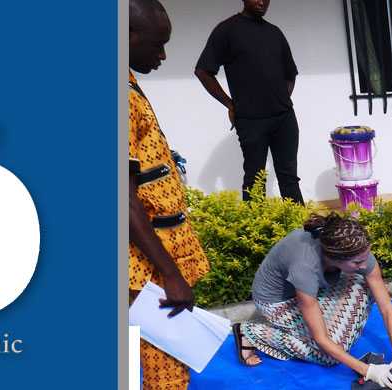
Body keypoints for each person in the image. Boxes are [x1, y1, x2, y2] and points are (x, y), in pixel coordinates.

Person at [128, 1, 210, 389]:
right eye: (157, 44)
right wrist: (171, 275)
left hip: (148, 259)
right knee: (166, 368)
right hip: (146, 267)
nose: (162, 55)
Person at [234, 213, 392, 388]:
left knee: (364, 285)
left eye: (365, 257)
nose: (365, 265)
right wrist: (368, 371)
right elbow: (321, 338)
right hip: (277, 301)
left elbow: (387, 307)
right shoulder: (305, 266)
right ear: (334, 258)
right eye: (357, 263)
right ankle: (252, 332)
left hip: (312, 289)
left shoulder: (357, 250)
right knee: (329, 355)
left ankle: (322, 317)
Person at [195, 0, 304, 204]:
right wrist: (230, 104)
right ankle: (257, 236)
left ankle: (302, 232)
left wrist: (279, 98)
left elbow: (291, 74)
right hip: (251, 121)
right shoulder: (227, 30)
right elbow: (203, 71)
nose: (262, 1)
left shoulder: (275, 33)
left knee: (289, 179)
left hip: (284, 119)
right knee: (254, 181)